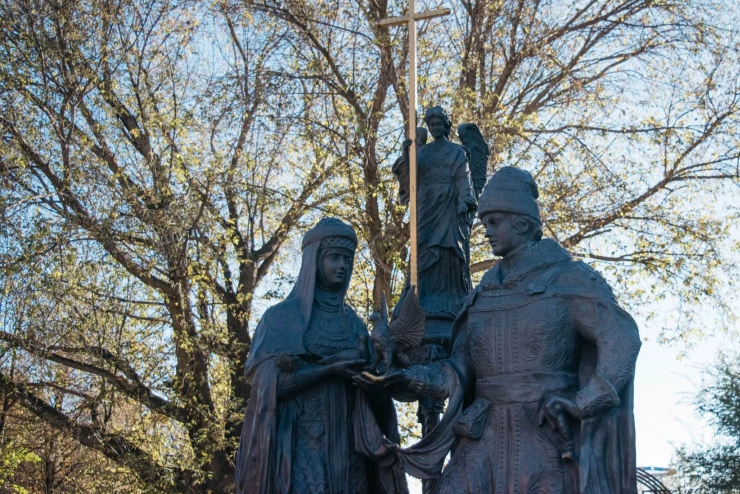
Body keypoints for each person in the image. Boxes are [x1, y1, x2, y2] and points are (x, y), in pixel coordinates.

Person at [358, 167, 642, 494]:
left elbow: (621, 339)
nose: (487, 232)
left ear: (522, 221)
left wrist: (582, 403)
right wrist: (408, 377)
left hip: (544, 438)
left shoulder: (567, 279)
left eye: (495, 222)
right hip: (482, 439)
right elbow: (460, 370)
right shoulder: (481, 295)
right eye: (484, 223)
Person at [235, 218, 407, 494]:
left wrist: (377, 382)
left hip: (351, 452)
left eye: (348, 259)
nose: (343, 265)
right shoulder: (281, 319)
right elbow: (268, 387)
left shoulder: (355, 325)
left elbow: (375, 399)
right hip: (301, 448)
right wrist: (327, 370)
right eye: (335, 257)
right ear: (314, 261)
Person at [392, 106, 478, 346]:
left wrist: (464, 199)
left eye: (439, 124)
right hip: (427, 204)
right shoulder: (423, 152)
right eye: (431, 125)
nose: (435, 128)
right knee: (422, 248)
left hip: (449, 204)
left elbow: (463, 178)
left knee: (450, 247)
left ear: (446, 126)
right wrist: (407, 152)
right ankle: (421, 298)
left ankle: (449, 300)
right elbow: (409, 178)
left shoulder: (457, 152)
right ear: (428, 128)